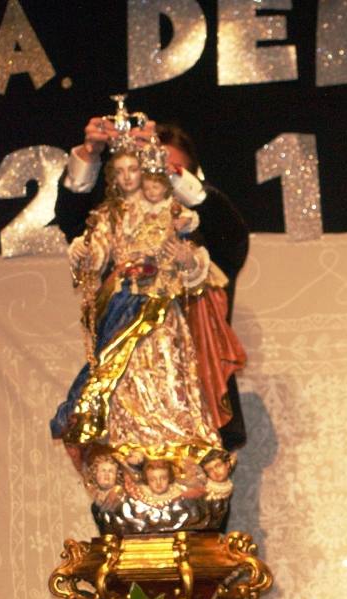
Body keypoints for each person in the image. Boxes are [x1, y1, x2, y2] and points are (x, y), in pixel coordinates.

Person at [55, 114, 250, 451]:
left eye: (170, 170)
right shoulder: (120, 221)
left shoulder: (204, 228)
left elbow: (231, 236)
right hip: (131, 397)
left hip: (196, 402)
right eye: (148, 168)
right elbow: (75, 222)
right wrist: (91, 153)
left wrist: (166, 169)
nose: (156, 177)